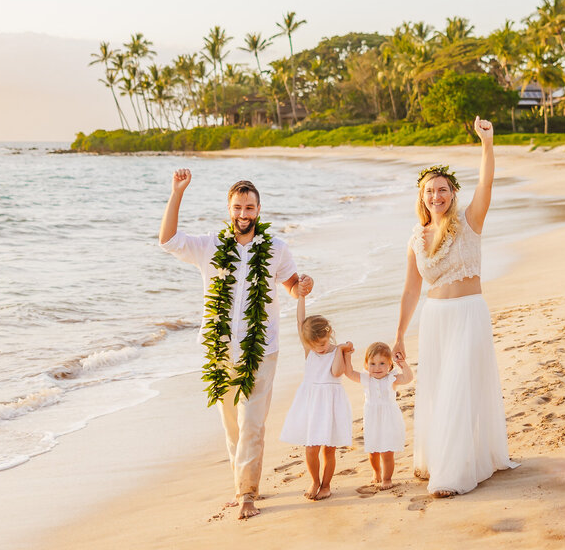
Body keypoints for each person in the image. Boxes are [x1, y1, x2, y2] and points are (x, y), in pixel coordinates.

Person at [159, 170, 313, 520]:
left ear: (259, 210)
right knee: (232, 425)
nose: (243, 214)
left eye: (249, 207)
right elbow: (167, 240)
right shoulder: (209, 246)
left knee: (253, 422)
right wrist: (177, 192)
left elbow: (290, 284)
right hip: (220, 348)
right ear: (229, 209)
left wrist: (302, 285)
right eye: (237, 207)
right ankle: (244, 485)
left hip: (262, 347)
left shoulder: (276, 249)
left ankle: (246, 494)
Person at [392, 115, 517, 497]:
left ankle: (451, 474)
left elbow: (487, 183)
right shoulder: (415, 238)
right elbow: (411, 290)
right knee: (440, 388)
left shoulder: (469, 221)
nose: (436, 196)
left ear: (452, 193)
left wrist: (487, 144)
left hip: (468, 314)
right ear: (422, 197)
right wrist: (399, 335)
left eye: (442, 190)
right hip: (436, 320)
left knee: (461, 386)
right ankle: (441, 458)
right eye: (430, 191)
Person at [279, 296, 353, 501]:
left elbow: (338, 372)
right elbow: (300, 321)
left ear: (329, 335)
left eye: (323, 342)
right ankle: (314, 480)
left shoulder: (336, 350)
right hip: (311, 404)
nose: (319, 347)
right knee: (311, 448)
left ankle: (326, 485)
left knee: (329, 449)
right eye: (314, 345)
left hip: (330, 404)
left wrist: (341, 350)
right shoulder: (309, 350)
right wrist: (301, 296)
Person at [339, 341, 413, 490]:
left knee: (387, 452)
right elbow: (349, 372)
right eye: (372, 364)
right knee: (373, 451)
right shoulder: (366, 379)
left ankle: (387, 478)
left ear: (390, 365)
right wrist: (347, 356)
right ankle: (376, 471)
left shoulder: (391, 379)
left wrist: (403, 363)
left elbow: (408, 378)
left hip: (389, 420)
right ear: (366, 365)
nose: (377, 368)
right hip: (372, 419)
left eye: (382, 363)